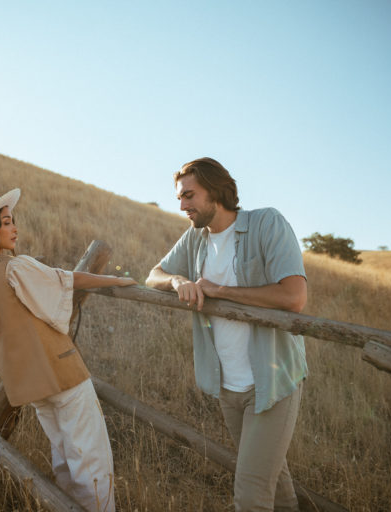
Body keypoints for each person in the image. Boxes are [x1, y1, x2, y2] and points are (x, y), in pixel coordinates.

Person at [0, 188, 135, 512]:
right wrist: (114, 281)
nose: (15, 228)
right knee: (92, 467)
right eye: (7, 222)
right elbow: (65, 280)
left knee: (65, 463)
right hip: (63, 375)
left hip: (34, 388)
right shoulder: (15, 267)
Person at [145, 157, 308, 511]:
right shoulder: (195, 239)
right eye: (179, 198)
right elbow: (153, 274)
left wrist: (221, 290)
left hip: (272, 382)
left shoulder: (267, 223)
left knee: (249, 495)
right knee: (274, 486)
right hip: (227, 388)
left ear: (216, 191)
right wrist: (178, 280)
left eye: (189, 196)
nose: (182, 205)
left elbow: (294, 298)